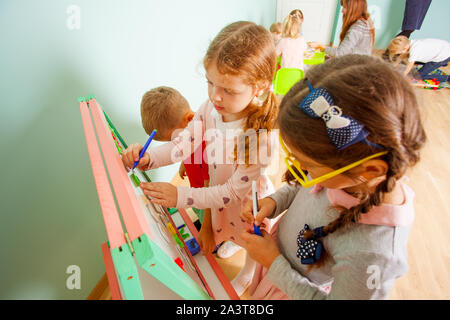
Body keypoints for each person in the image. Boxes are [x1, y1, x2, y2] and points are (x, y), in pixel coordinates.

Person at [239, 54, 426, 299]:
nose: (300, 170)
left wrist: (274, 263)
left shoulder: (375, 253)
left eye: (308, 165)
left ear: (370, 170)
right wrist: (274, 202)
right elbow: (306, 187)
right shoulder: (345, 171)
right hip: (276, 263)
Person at [121, 21, 279, 296]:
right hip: (219, 196)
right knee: (228, 230)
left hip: (246, 203)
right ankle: (231, 240)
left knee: (249, 238)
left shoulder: (259, 136)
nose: (215, 96)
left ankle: (247, 270)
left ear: (260, 87)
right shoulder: (210, 108)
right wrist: (148, 159)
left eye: (228, 90)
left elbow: (231, 193)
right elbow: (181, 146)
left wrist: (180, 197)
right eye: (210, 83)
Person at [139, 86, 210, 231]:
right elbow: (185, 148)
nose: (175, 146)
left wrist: (208, 227)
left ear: (189, 118)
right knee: (201, 210)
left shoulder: (208, 148)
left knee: (211, 215)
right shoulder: (191, 130)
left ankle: (225, 238)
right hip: (198, 186)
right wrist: (184, 163)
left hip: (210, 195)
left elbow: (209, 196)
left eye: (175, 140)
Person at [310, 0, 374, 57]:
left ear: (354, 9)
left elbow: (340, 53)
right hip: (362, 61)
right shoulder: (366, 22)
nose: (342, 10)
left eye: (345, 7)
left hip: (355, 65)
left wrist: (321, 46)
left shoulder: (356, 29)